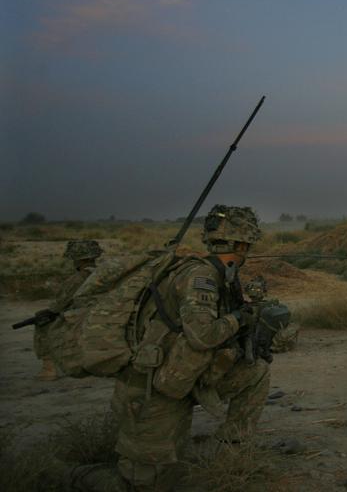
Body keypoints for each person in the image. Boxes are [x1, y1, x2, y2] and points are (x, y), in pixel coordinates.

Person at [72, 205, 269, 492]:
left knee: (256, 373)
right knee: (144, 485)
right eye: (247, 245)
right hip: (154, 389)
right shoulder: (200, 277)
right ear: (240, 244)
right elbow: (203, 335)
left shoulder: (222, 275)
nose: (247, 252)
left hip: (185, 377)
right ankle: (74, 475)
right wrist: (239, 318)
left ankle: (231, 453)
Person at [34, 239, 103, 380]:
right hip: (103, 315)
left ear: (76, 259)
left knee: (42, 322)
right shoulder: (105, 272)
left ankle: (49, 369)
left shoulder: (77, 279)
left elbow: (57, 307)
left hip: (82, 318)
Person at [244, 275, 299, 353]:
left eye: (257, 289)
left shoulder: (263, 306)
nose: (255, 291)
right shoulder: (270, 305)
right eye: (253, 289)